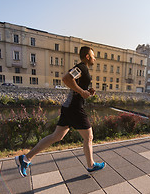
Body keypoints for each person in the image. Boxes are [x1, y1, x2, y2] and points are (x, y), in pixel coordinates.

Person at [15, 46, 105, 177]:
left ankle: (25, 159)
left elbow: (74, 82)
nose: (95, 58)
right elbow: (66, 78)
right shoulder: (82, 67)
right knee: (89, 136)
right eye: (93, 55)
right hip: (74, 108)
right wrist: (81, 91)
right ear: (87, 56)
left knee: (56, 136)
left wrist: (87, 91)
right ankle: (91, 165)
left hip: (69, 107)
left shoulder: (81, 69)